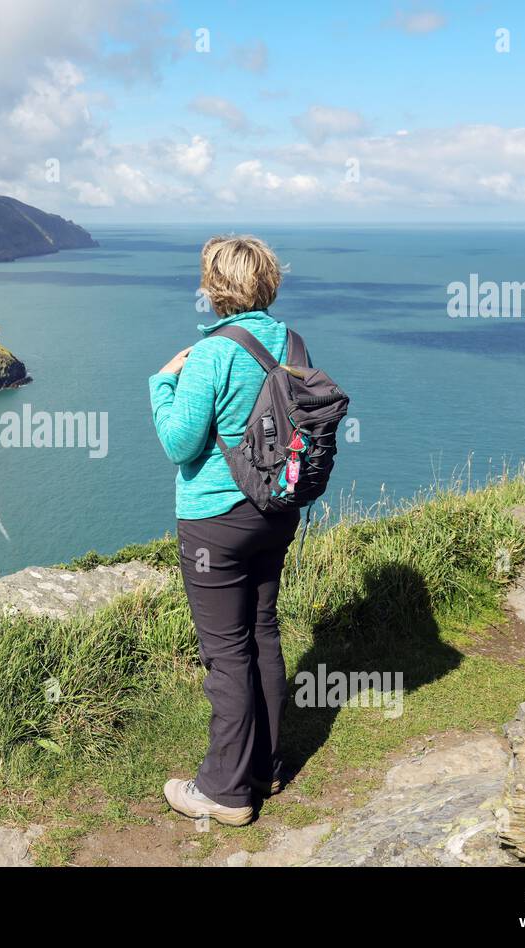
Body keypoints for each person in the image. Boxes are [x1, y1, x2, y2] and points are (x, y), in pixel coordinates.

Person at [148, 234, 301, 827]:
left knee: (226, 653)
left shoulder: (211, 353)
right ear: (268, 281)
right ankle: (262, 766)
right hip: (276, 511)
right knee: (262, 631)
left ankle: (225, 793)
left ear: (215, 287)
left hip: (216, 521)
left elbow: (178, 443)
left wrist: (161, 384)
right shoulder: (290, 341)